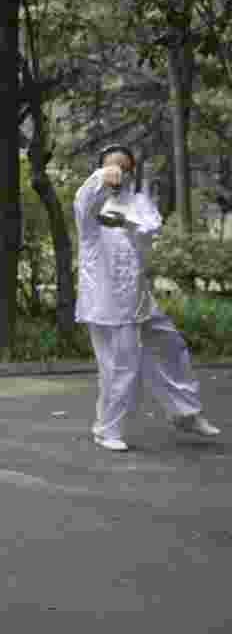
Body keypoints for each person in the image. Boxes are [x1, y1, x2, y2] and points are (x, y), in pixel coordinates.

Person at [74, 144, 220, 452]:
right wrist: (102, 177)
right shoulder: (91, 205)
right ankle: (107, 429)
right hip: (108, 304)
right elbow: (86, 200)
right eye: (112, 166)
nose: (118, 172)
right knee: (120, 366)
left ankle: (185, 412)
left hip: (139, 298)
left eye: (124, 167)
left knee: (170, 346)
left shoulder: (138, 202)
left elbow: (151, 225)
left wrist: (126, 223)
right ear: (100, 169)